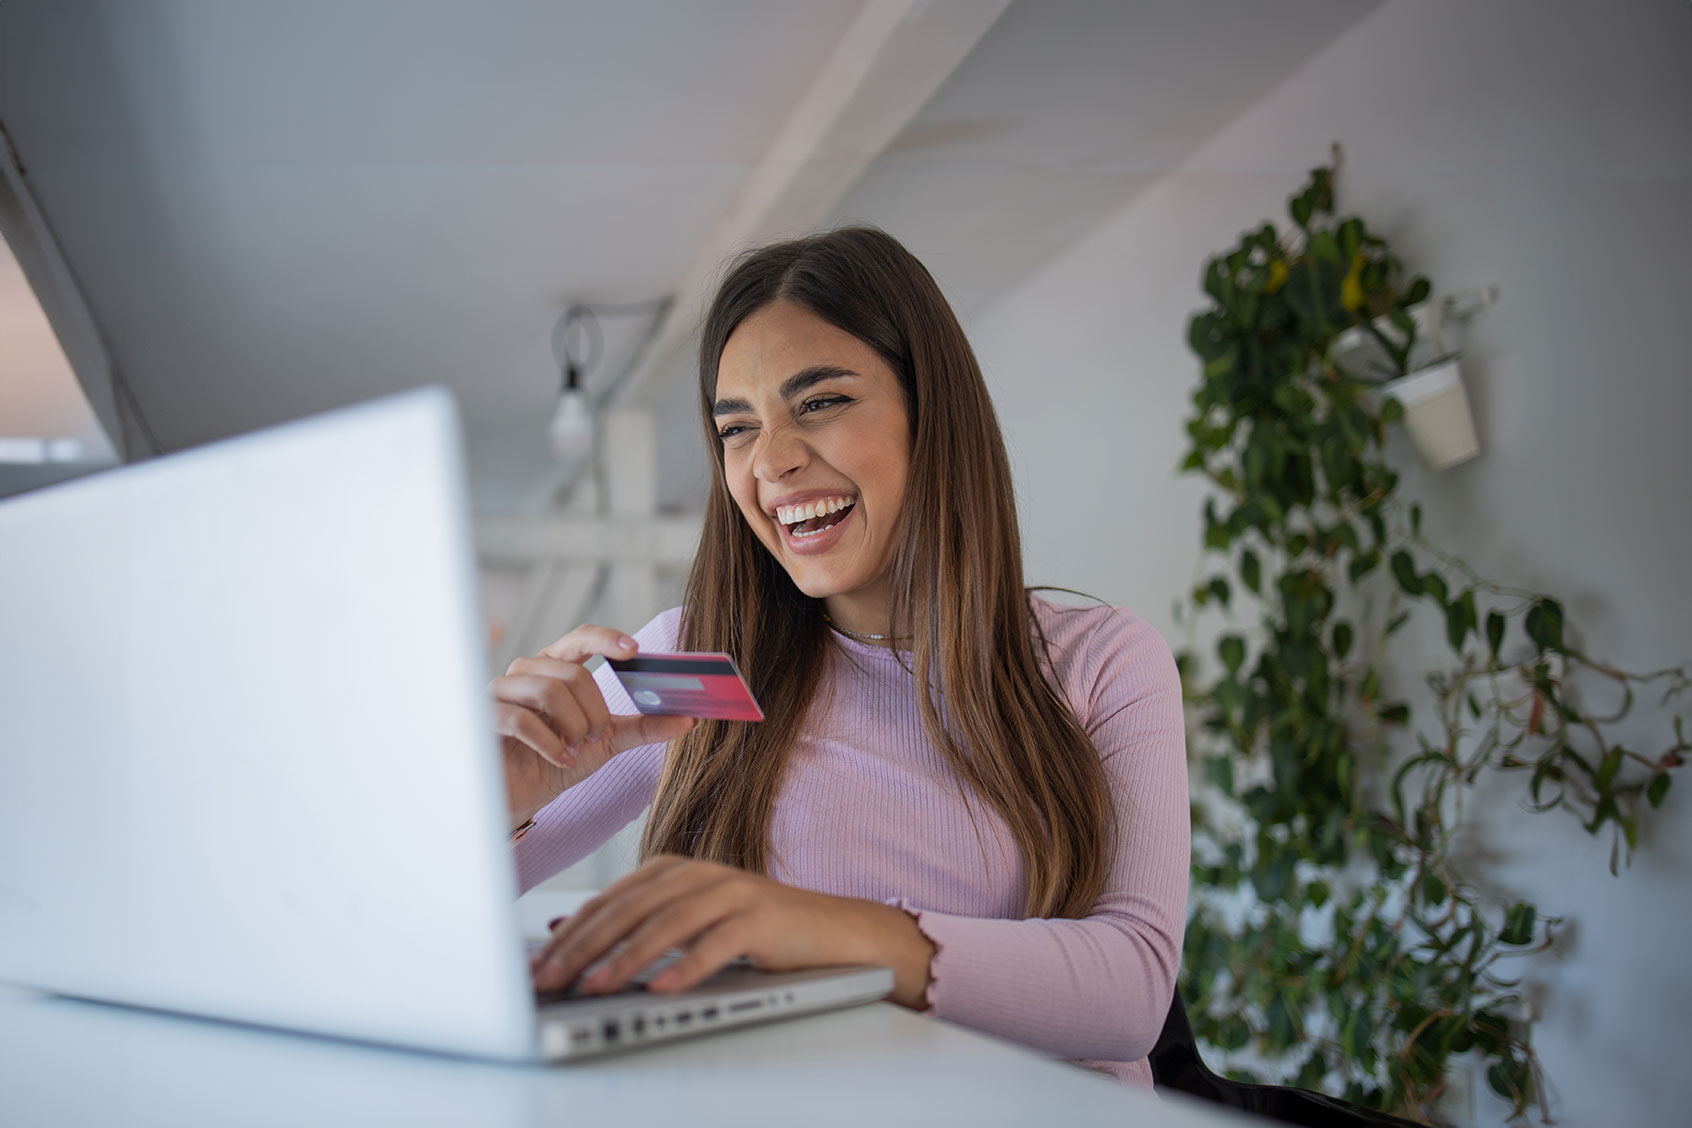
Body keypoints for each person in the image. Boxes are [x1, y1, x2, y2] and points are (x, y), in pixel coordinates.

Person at [490, 227, 1188, 1086]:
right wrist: (489, 802)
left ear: (931, 412)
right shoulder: (693, 665)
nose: (772, 462)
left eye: (819, 402)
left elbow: (1132, 989)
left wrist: (812, 930)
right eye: (736, 427)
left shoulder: (1104, 662)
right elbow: (409, 915)